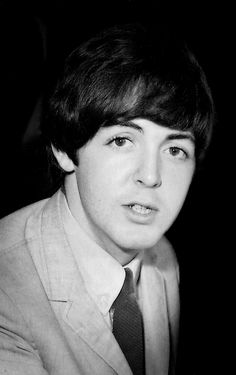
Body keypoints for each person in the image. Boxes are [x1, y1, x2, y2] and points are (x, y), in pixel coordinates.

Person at [0, 23, 215, 375]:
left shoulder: (163, 259)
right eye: (122, 140)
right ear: (65, 149)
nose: (151, 175)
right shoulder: (6, 293)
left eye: (175, 149)